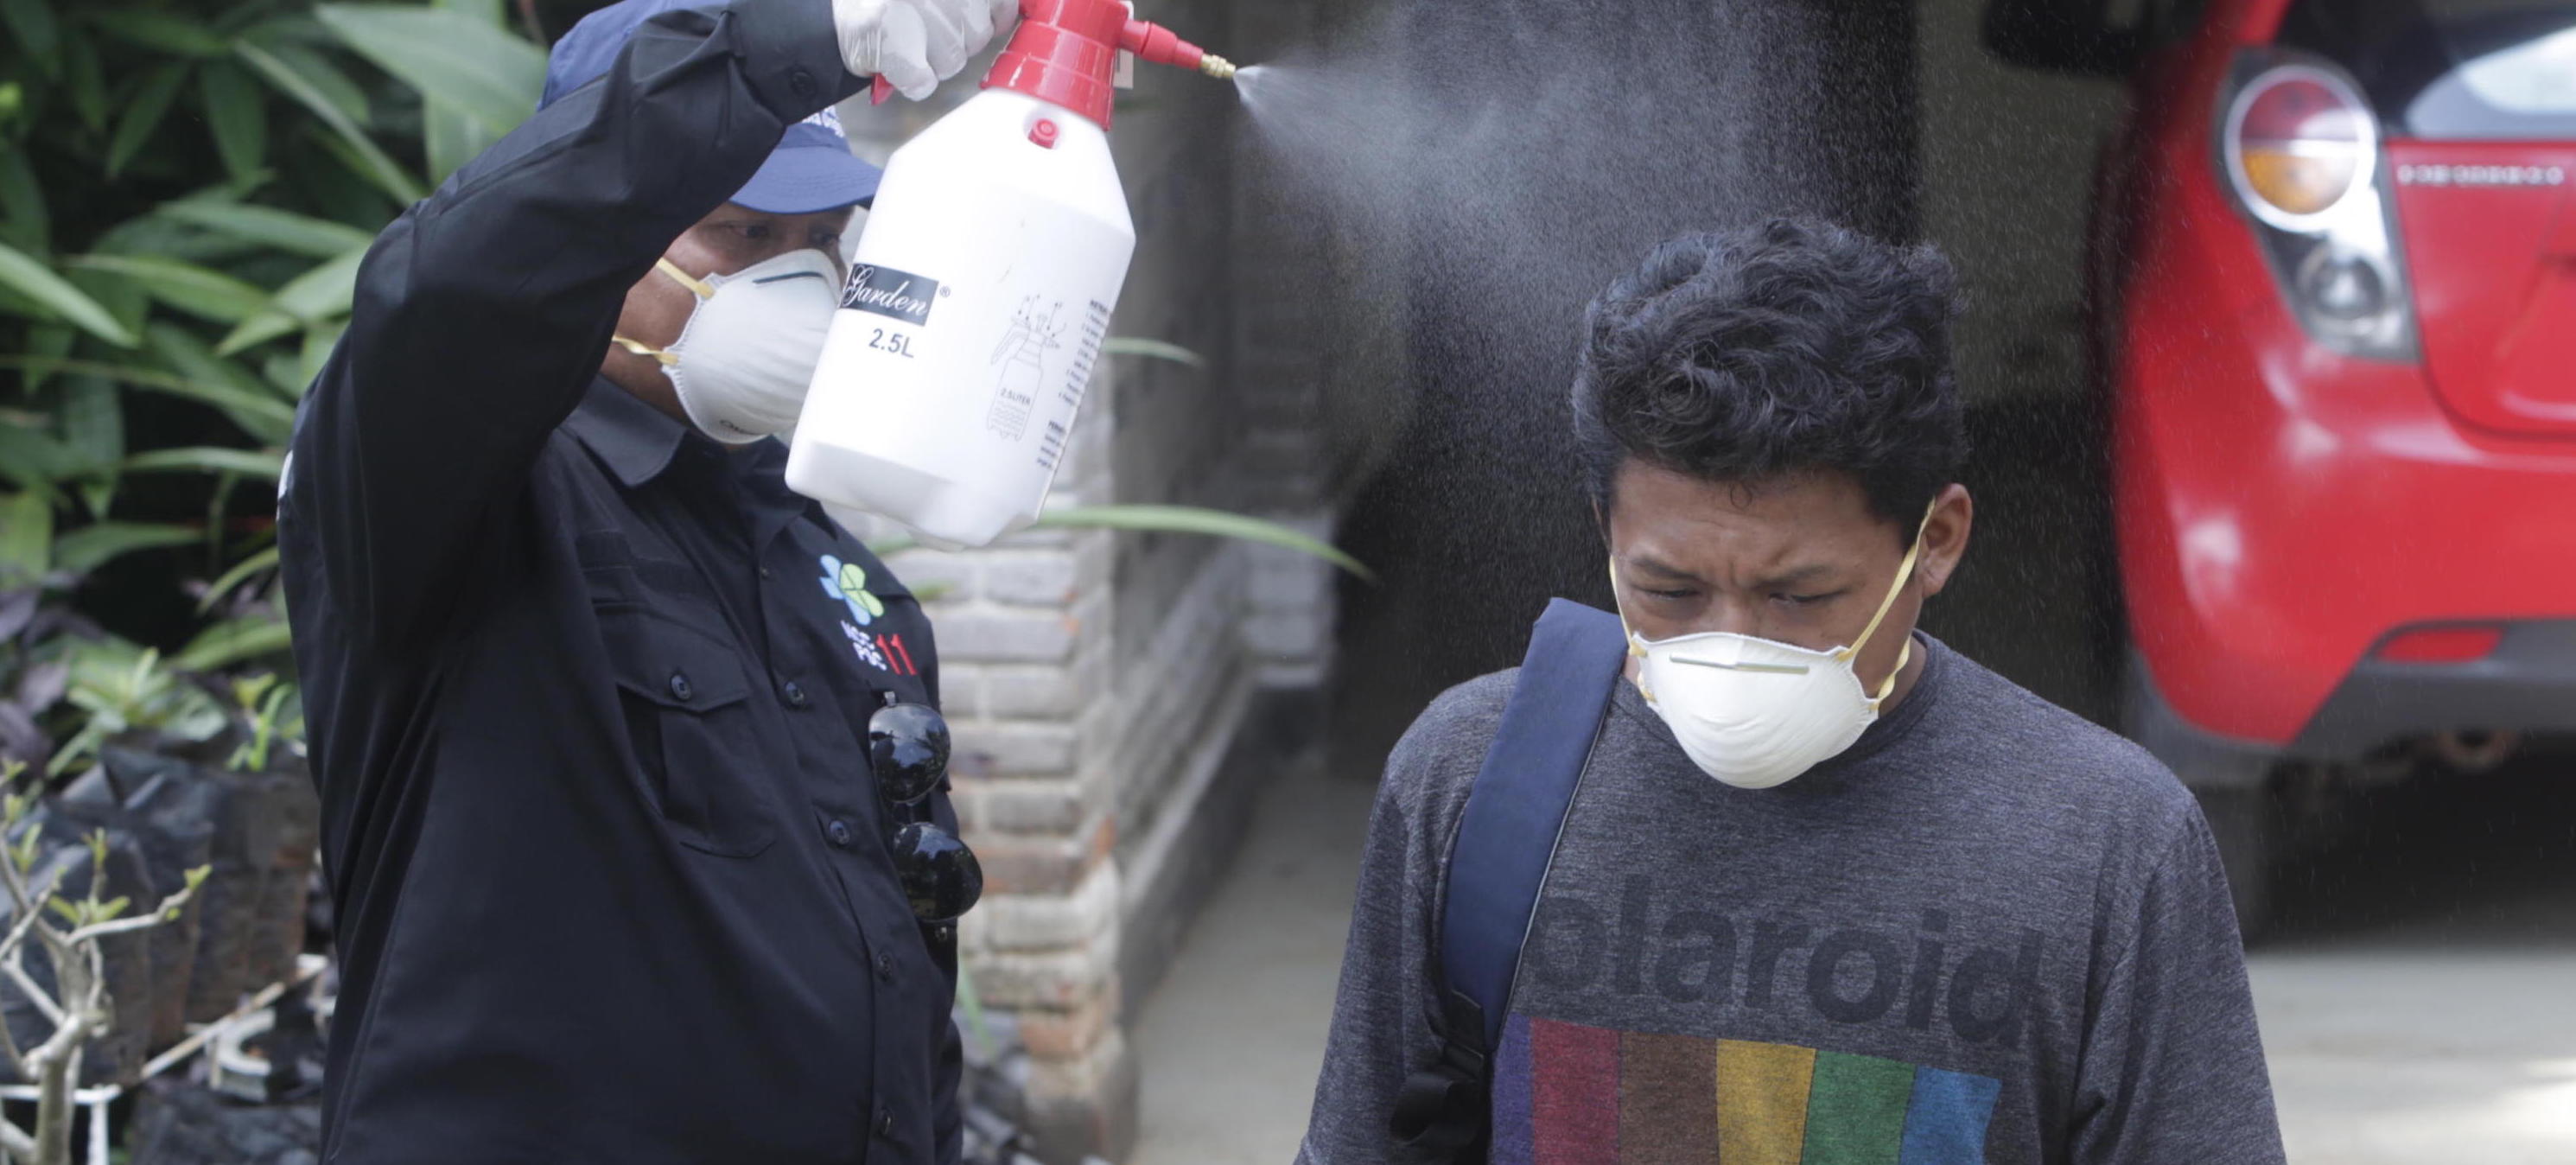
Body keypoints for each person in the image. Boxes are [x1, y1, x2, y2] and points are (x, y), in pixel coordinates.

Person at [1299, 220, 2286, 1163]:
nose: (1731, 644)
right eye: (1668, 590)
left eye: (1800, 594)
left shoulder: (2108, 845)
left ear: (1933, 542)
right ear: (1604, 527)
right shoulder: (1474, 780)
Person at [277, 0, 1011, 1159]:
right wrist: (789, 44)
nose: (804, 281)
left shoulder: (823, 564)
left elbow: (898, 952)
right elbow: (450, 295)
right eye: (740, 235)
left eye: (822, 238)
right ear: (594, 247)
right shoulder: (459, 502)